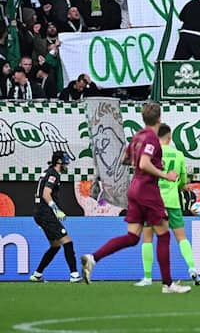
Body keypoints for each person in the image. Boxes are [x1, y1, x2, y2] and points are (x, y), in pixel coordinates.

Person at [81, 103, 190, 294]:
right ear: (159, 118)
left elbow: (125, 159)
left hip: (134, 188)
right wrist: (165, 174)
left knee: (132, 237)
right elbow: (143, 162)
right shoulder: (152, 139)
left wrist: (151, 162)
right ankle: (168, 284)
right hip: (148, 191)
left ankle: (93, 258)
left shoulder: (138, 136)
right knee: (164, 234)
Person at [134, 124, 200, 287]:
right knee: (181, 237)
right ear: (169, 137)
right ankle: (192, 268)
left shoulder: (149, 154)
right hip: (172, 201)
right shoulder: (178, 155)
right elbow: (183, 181)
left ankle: (148, 277)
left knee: (148, 238)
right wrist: (179, 185)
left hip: (152, 201)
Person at [29, 151, 81, 283]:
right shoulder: (53, 174)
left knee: (55, 245)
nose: (66, 163)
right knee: (67, 241)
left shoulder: (48, 172)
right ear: (58, 161)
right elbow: (46, 194)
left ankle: (37, 274)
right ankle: (74, 274)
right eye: (64, 160)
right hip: (45, 213)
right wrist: (56, 210)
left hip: (40, 213)